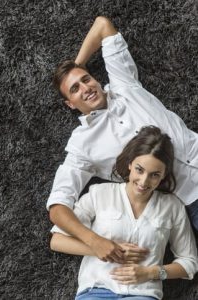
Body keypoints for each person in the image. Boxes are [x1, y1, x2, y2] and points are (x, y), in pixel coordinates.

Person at [47, 16, 198, 263]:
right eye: (74, 89)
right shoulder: (82, 144)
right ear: (70, 104)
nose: (85, 88)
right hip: (191, 199)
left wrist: (76, 65)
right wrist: (95, 242)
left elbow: (102, 25)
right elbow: (58, 207)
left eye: (86, 79)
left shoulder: (124, 84)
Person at [50, 126, 198, 300]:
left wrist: (152, 273)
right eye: (139, 170)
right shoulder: (100, 193)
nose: (144, 182)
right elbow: (57, 240)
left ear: (164, 175)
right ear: (130, 164)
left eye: (154, 175)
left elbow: (189, 262)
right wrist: (100, 247)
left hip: (143, 294)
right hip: (95, 290)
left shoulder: (172, 206)